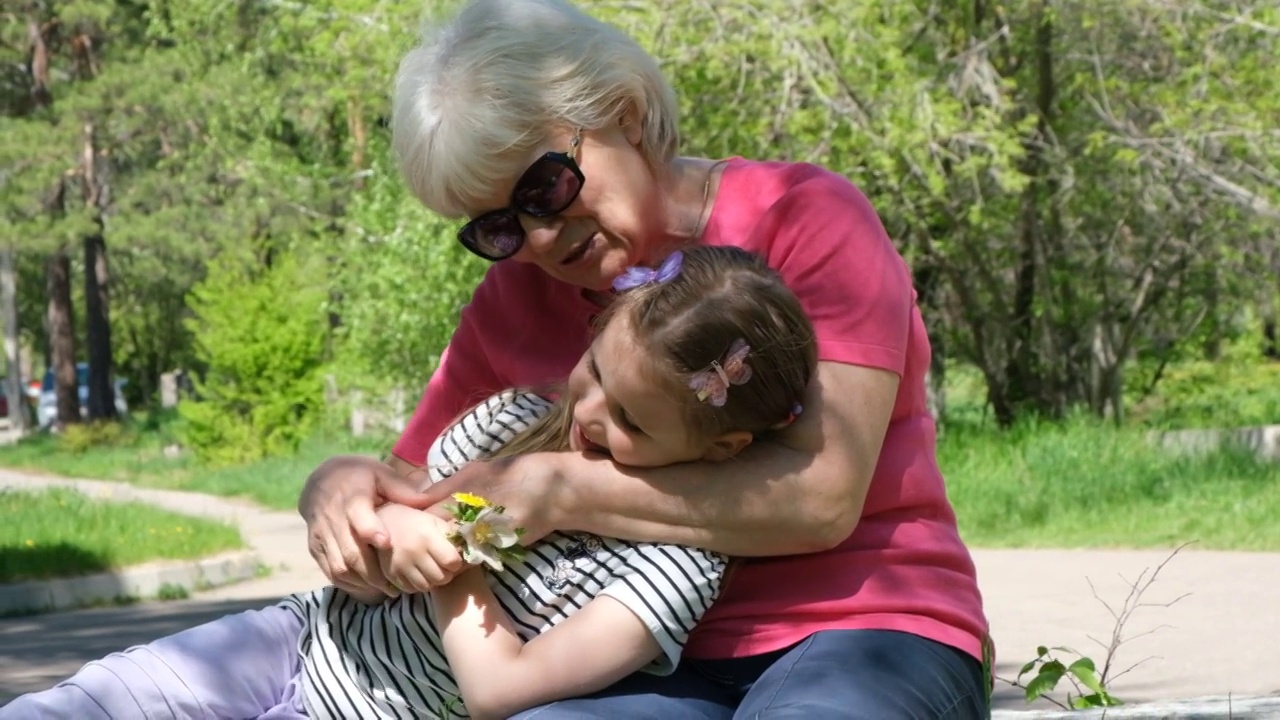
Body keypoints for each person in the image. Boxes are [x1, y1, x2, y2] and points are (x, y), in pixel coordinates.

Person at [300, 0, 991, 717]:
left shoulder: (804, 217)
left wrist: (562, 489)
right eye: (500, 225)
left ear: (625, 114)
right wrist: (337, 487)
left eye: (544, 187)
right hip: (639, 665)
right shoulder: (514, 298)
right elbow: (414, 486)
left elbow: (823, 500)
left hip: (864, 628)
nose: (538, 239)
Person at [1, 246, 818, 720]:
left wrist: (454, 569)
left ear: (722, 447)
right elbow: (390, 495)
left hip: (390, 712)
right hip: (301, 638)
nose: (590, 415)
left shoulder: (673, 569)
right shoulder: (518, 426)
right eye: (594, 370)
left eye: (635, 423)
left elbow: (502, 688)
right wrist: (349, 490)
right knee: (102, 700)